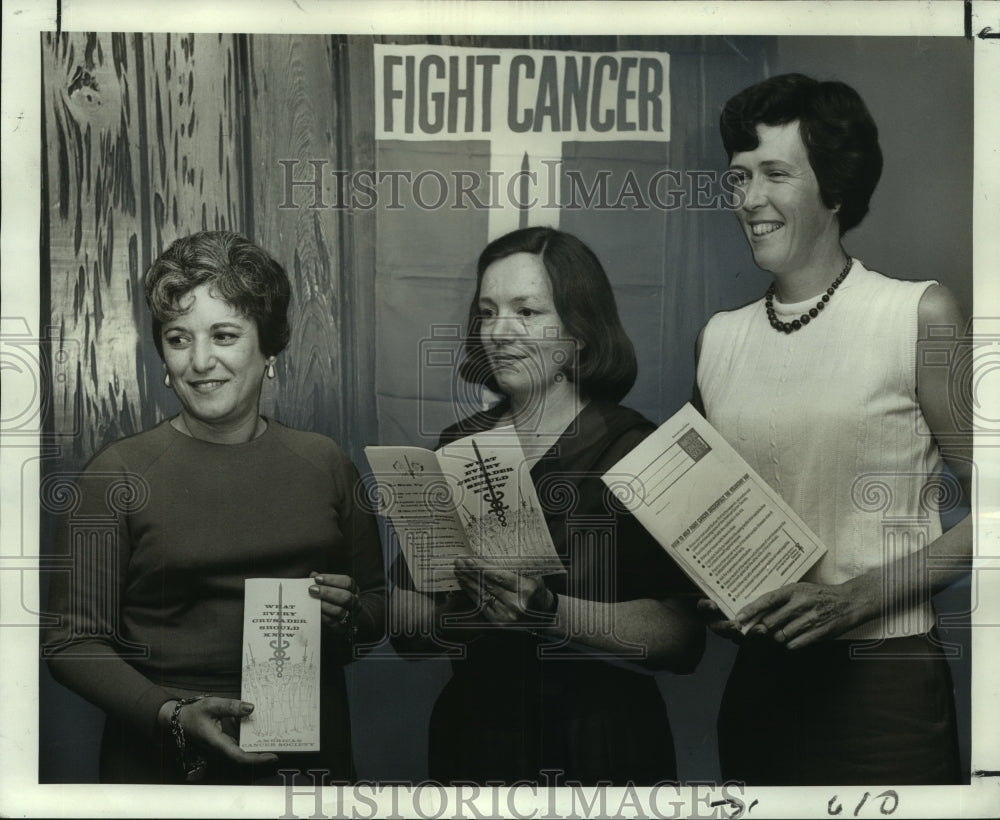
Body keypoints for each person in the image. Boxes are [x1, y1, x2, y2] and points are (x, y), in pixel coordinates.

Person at [695, 74, 971, 785]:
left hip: (884, 691)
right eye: (739, 177)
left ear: (835, 187)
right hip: (759, 688)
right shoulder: (719, 339)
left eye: (776, 174)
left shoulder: (918, 314)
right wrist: (714, 586)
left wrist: (856, 598)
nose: (749, 199)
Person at [43, 231, 386, 784]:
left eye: (224, 335)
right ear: (162, 354)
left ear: (269, 347)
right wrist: (172, 716)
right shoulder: (115, 475)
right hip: (161, 763)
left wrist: (348, 616)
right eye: (179, 339)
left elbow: (376, 609)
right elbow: (70, 644)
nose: (200, 362)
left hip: (305, 765)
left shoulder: (325, 463)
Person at [390, 226, 705, 785]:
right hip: (477, 740)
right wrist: (423, 602)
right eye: (487, 313)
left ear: (579, 333)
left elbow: (681, 639)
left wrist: (548, 612)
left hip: (601, 744)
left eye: (527, 312)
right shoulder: (458, 446)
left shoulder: (639, 448)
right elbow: (411, 633)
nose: (499, 332)